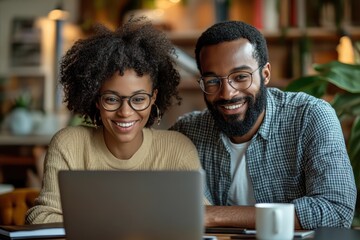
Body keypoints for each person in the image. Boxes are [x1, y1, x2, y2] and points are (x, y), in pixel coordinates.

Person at [170, 20, 357, 230]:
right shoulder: (187, 132)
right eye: (213, 81)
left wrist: (215, 215)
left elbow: (336, 211)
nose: (227, 93)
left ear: (265, 74)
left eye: (241, 77)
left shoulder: (310, 116)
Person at [26, 17, 203, 224]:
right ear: (96, 99)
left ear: (153, 97)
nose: (125, 112)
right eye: (111, 99)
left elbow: (200, 217)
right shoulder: (69, 144)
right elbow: (41, 217)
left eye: (138, 99)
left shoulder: (177, 149)